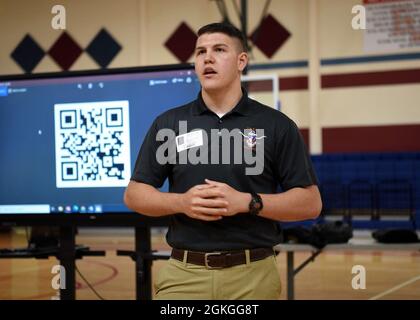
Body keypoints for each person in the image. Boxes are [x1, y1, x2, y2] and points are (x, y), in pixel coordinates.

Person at [124, 22, 322, 300]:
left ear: (242, 61)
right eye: (200, 52)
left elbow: (311, 203)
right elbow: (134, 195)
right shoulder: (168, 123)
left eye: (219, 50)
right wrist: (182, 202)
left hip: (253, 276)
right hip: (184, 275)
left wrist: (247, 202)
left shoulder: (277, 125)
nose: (207, 58)